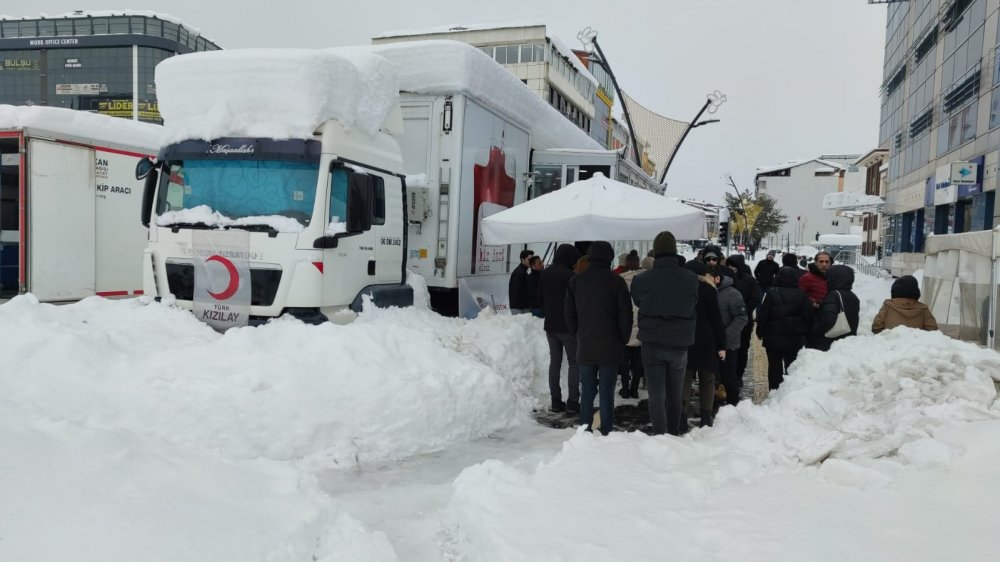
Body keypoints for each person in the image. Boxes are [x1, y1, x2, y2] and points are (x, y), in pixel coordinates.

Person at [630, 231, 699, 436]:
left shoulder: (642, 280)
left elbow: (637, 301)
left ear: (656, 253)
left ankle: (660, 434)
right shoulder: (690, 278)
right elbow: (694, 302)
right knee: (675, 392)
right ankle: (674, 432)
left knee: (656, 393)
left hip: (652, 341)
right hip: (679, 342)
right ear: (675, 251)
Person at [565, 241, 633, 435]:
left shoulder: (576, 281)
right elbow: (625, 314)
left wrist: (576, 333)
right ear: (610, 258)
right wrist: (623, 339)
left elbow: (569, 313)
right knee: (606, 393)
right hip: (610, 346)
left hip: (585, 344)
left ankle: (584, 430)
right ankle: (606, 432)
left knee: (586, 392)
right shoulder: (617, 281)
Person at [682, 260, 726, 429]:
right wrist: (721, 344)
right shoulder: (709, 290)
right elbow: (716, 319)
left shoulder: (682, 290)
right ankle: (706, 417)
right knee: (707, 378)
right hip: (706, 340)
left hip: (686, 338)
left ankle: (681, 416)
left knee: (684, 378)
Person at [538, 244, 581, 413]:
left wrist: (549, 312)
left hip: (550, 326)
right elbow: (575, 302)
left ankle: (556, 401)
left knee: (555, 362)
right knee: (574, 363)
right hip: (567, 327)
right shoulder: (570, 276)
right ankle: (572, 402)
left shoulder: (545, 273)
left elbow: (539, 298)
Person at [756, 267, 813, 390]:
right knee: (791, 365)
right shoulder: (802, 294)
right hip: (794, 336)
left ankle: (774, 390)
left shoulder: (771, 292)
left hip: (772, 337)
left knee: (774, 366)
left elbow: (764, 314)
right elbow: (808, 315)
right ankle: (789, 391)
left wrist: (760, 332)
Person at [713, 265, 748, 406]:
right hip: (713, 341)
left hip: (728, 343)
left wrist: (725, 335)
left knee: (728, 375)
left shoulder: (732, 294)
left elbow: (742, 317)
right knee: (713, 375)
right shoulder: (709, 291)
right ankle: (714, 403)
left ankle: (733, 404)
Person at [726, 253, 760, 385]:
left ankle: (738, 375)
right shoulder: (725, 279)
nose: (731, 268)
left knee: (742, 348)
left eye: (733, 266)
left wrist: (743, 310)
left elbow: (755, 299)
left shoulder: (749, 280)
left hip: (744, 321)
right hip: (727, 321)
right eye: (729, 265)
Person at [813, 265, 861, 351]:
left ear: (835, 278)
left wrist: (815, 330)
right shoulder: (853, 295)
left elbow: (828, 319)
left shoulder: (833, 295)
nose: (826, 280)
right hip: (848, 339)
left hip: (831, 342)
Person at [872, 275, 938, 334]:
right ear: (916, 292)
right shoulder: (923, 309)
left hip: (890, 344)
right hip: (916, 345)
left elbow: (876, 327)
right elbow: (933, 331)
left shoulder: (888, 305)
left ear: (895, 290)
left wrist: (883, 335)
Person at [619, 251, 645, 398]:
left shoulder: (620, 280)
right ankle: (634, 389)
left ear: (627, 263)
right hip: (641, 326)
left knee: (624, 362)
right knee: (638, 362)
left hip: (625, 327)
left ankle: (624, 388)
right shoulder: (646, 278)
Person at [800, 251, 832, 349]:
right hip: (813, 319)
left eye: (827, 262)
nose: (824, 264)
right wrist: (813, 302)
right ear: (815, 263)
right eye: (821, 261)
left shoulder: (832, 277)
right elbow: (800, 296)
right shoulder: (806, 278)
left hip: (829, 318)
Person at [508, 249, 534, 314]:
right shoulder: (519, 272)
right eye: (529, 259)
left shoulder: (523, 271)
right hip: (519, 308)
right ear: (522, 259)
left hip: (521, 307)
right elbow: (517, 291)